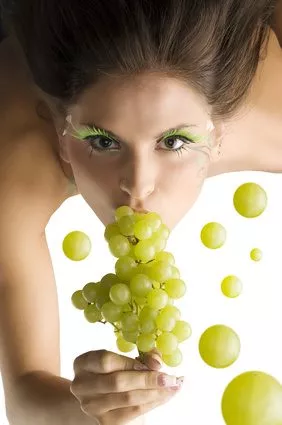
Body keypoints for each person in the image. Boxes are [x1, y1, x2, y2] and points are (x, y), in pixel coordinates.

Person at [0, 0, 281, 424]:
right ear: (61, 133)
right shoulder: (14, 164)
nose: (137, 184)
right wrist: (82, 407)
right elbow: (22, 397)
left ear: (218, 133)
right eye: (103, 141)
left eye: (172, 142)